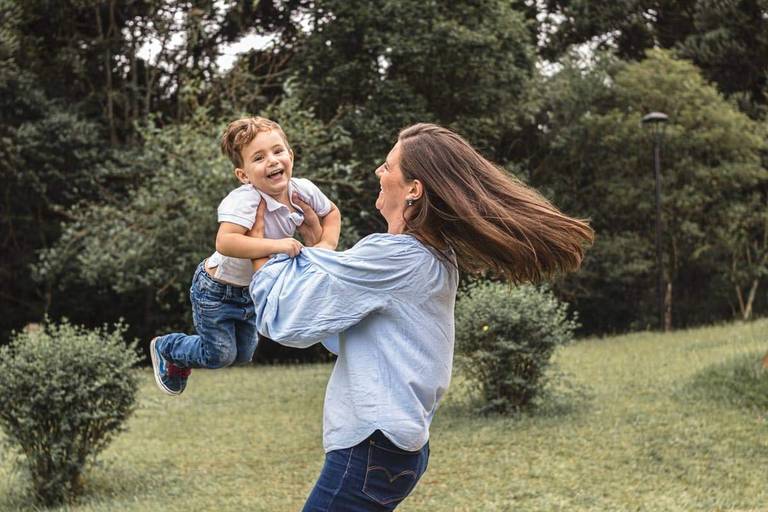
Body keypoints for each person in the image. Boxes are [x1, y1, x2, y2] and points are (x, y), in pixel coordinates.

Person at [248, 123, 594, 511]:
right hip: (394, 450)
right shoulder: (429, 255)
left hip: (369, 451)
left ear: (414, 189)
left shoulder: (393, 258)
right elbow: (336, 318)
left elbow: (286, 321)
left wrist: (260, 253)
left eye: (388, 166)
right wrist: (321, 245)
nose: (379, 173)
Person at [150, 116, 341, 396]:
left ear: (291, 154)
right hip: (217, 289)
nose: (273, 161)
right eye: (259, 157)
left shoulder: (303, 189)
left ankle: (184, 353)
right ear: (244, 175)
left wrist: (325, 246)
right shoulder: (245, 200)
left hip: (251, 292)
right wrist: (276, 246)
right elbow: (226, 241)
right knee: (220, 355)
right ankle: (168, 348)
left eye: (278, 151)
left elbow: (331, 213)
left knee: (243, 356)